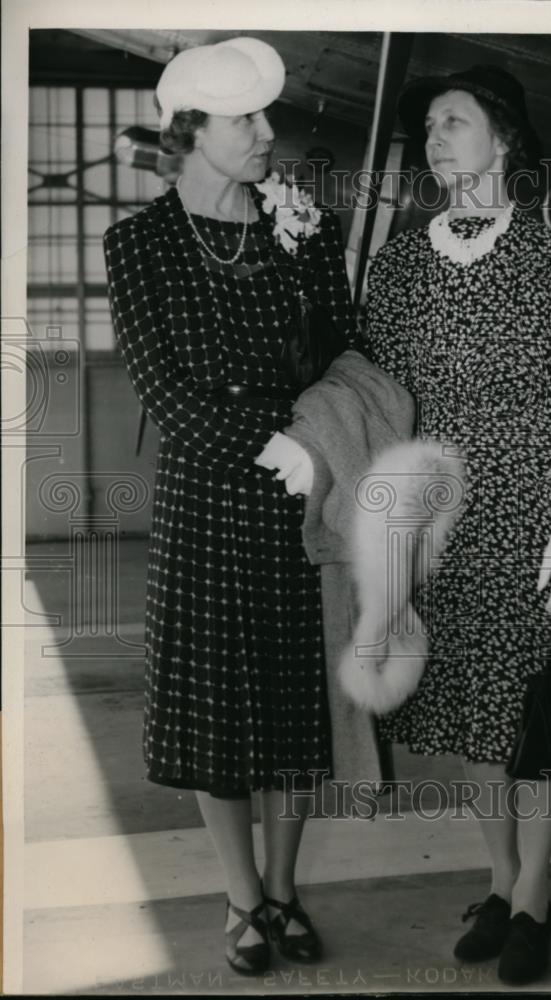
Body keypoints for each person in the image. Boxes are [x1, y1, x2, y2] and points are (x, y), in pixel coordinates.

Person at [103, 37, 357, 976]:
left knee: (293, 702)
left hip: (302, 491)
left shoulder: (306, 229)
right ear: (188, 131)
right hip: (208, 493)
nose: (265, 131)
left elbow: (345, 352)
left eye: (264, 114)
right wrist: (268, 444)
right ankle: (241, 897)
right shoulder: (138, 244)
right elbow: (163, 392)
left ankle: (284, 891)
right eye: (243, 117)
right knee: (216, 706)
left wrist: (313, 446)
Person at [364, 65, 551, 986]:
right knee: (475, 715)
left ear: (502, 140)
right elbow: (378, 398)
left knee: (534, 714)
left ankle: (537, 896)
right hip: (443, 523)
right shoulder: (399, 264)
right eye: (429, 125)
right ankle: (501, 882)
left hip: (538, 522)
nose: (436, 138)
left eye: (455, 121)